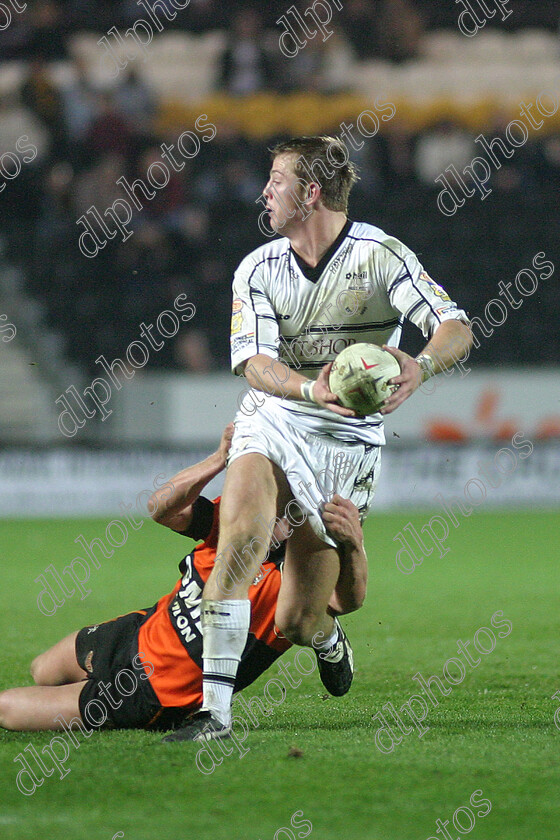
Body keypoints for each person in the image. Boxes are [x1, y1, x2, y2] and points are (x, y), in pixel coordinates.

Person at [172, 134, 473, 742]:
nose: (264, 192)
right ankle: (215, 716)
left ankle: (328, 640)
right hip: (278, 413)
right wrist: (310, 389)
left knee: (297, 621)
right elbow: (253, 363)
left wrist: (422, 364)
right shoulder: (258, 267)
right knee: (241, 535)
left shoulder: (380, 256)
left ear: (309, 193)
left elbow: (456, 327)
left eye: (276, 180)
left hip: (348, 441)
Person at [0, 426, 367, 735]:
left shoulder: (293, 581)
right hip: (137, 632)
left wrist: (353, 546)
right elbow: (161, 508)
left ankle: (330, 643)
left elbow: (346, 602)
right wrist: (218, 459)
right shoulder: (237, 523)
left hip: (154, 692)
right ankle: (76, 695)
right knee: (41, 670)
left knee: (6, 709)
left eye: (290, 515)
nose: (276, 517)